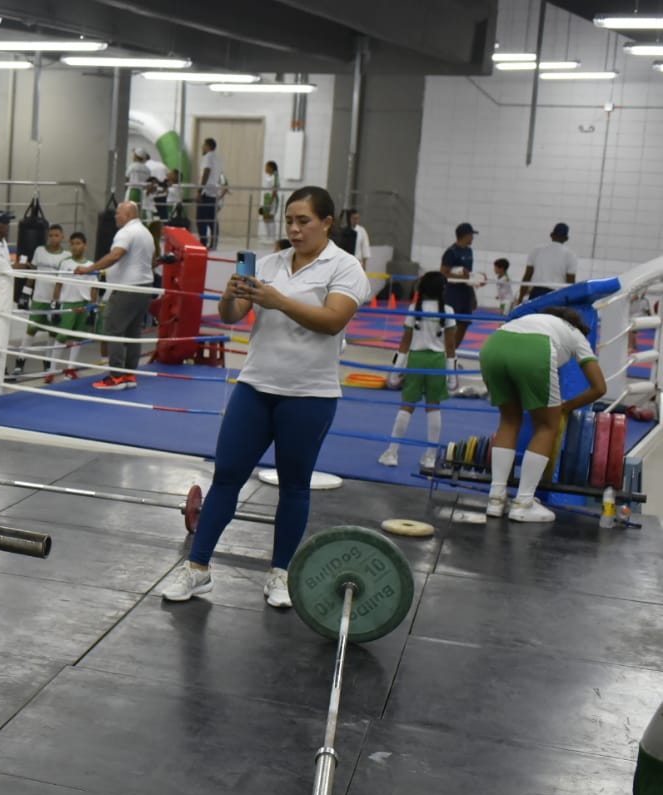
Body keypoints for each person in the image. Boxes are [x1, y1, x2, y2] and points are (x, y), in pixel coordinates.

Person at [161, 186, 368, 608]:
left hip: (309, 394)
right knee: (227, 476)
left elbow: (332, 321)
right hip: (255, 387)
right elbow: (232, 316)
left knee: (294, 486)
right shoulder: (270, 263)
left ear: (327, 223)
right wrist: (232, 294)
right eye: (289, 221)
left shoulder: (346, 268)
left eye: (303, 221)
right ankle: (197, 568)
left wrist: (278, 299)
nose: (294, 229)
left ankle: (281, 574)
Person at [479, 307, 606, 522]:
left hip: (493, 345)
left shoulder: (531, 318)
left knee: (509, 421)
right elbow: (599, 388)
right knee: (548, 426)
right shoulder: (576, 335)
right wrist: (566, 407)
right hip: (536, 351)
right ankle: (524, 503)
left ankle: (496, 499)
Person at [75, 200, 157, 391]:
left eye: (118, 214)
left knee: (113, 330)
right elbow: (151, 260)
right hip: (145, 287)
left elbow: (115, 255)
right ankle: (129, 375)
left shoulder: (126, 232)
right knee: (133, 333)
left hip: (127, 288)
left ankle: (116, 377)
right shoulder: (146, 233)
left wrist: (90, 268)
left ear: (128, 215)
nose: (115, 217)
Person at [380, 272, 454, 470]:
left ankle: (392, 452)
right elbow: (451, 346)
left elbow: (404, 342)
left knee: (407, 405)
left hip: (416, 359)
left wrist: (396, 369)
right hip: (437, 362)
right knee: (433, 406)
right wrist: (452, 374)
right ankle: (430, 456)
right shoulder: (448, 310)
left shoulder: (414, 309)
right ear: (442, 290)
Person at [15, 224, 71, 375]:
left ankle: (48, 365)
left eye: (56, 235)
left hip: (55, 299)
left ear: (62, 237)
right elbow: (33, 272)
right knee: (30, 330)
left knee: (52, 333)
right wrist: (25, 293)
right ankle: (19, 363)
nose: (53, 238)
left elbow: (65, 280)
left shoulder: (66, 256)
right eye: (51, 235)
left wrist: (59, 300)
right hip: (39, 298)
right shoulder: (39, 251)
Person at [44, 230, 97, 383]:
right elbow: (58, 284)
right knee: (61, 337)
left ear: (85, 245)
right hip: (67, 303)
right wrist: (54, 303)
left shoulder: (90, 265)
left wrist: (93, 307)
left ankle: (71, 368)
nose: (74, 247)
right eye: (72, 244)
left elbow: (94, 287)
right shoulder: (65, 263)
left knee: (77, 337)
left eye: (78, 243)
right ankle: (52, 370)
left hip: (84, 304)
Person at [442, 222, 479, 351]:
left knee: (464, 324)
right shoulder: (451, 252)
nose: (472, 238)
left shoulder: (469, 251)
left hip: (466, 292)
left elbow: (468, 275)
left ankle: (452, 352)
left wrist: (473, 294)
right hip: (453, 293)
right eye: (471, 235)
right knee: (451, 324)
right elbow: (444, 273)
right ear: (465, 235)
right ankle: (445, 353)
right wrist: (461, 278)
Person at [520, 222, 578, 304]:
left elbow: (527, 276)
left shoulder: (537, 250)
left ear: (551, 235)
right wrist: (570, 302)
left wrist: (520, 298)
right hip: (556, 296)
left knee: (534, 317)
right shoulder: (570, 255)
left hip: (536, 294)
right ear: (566, 238)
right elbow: (570, 283)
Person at [197, 138, 223, 249]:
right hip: (214, 192)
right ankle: (213, 243)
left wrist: (200, 189)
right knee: (212, 220)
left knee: (201, 219)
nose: (202, 147)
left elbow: (206, 171)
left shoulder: (207, 157)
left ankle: (203, 242)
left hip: (206, 192)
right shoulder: (218, 158)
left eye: (203, 145)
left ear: (208, 146)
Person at [146, 154, 171, 220]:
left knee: (149, 214)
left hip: (151, 194)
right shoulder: (161, 164)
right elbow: (169, 176)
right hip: (162, 194)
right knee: (164, 216)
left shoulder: (145, 166)